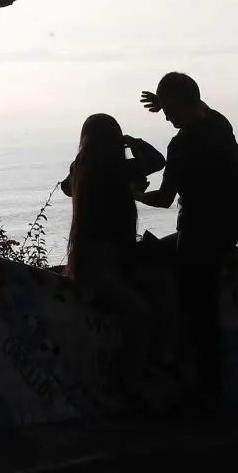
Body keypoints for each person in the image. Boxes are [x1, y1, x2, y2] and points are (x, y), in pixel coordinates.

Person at [135, 71, 238, 408]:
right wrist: (166, 97)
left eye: (168, 109)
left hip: (200, 238)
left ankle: (205, 391)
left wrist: (131, 194)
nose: (165, 116)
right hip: (229, 229)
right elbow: (199, 105)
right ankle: (209, 387)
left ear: (181, 102)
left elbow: (165, 199)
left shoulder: (182, 145)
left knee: (197, 316)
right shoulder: (219, 124)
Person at [59, 114, 167, 365]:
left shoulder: (80, 169)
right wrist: (132, 141)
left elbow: (65, 188)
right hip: (112, 258)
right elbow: (157, 160)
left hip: (88, 257)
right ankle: (134, 375)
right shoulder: (121, 169)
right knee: (145, 310)